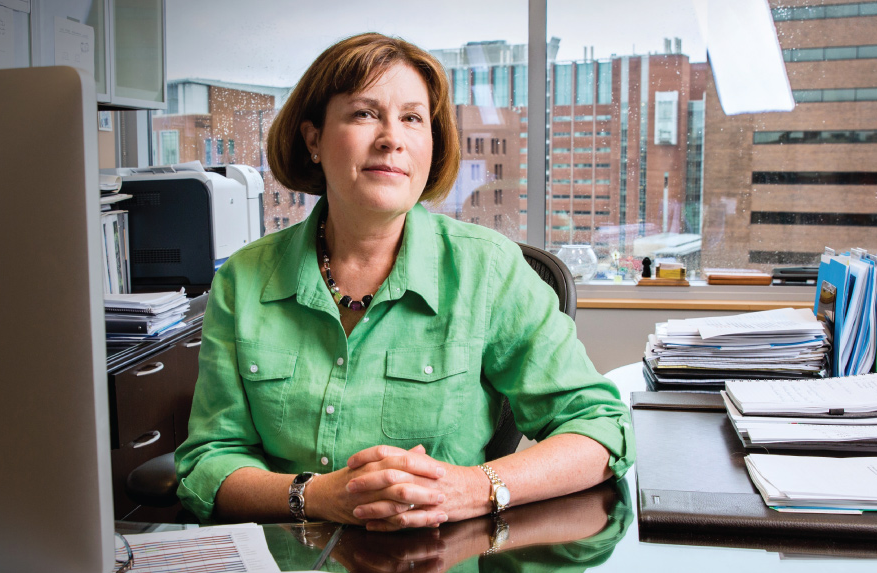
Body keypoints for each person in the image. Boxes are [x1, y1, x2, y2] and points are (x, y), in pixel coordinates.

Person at [175, 32, 634, 531]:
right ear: (313, 140)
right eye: (364, 113)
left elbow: (601, 428)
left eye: (413, 118)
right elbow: (209, 460)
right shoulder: (244, 279)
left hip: (445, 562)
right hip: (288, 566)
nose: (392, 138)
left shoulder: (489, 270)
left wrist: (473, 488)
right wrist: (317, 496)